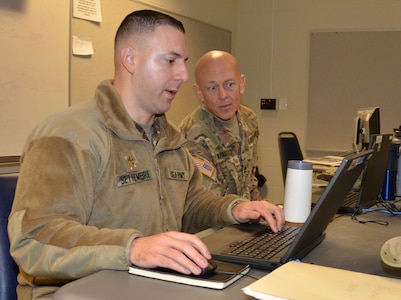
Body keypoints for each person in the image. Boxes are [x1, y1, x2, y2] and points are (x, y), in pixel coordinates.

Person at [8, 10, 284, 299]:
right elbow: (35, 238)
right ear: (130, 59)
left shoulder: (170, 138)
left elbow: (190, 206)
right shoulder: (68, 135)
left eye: (184, 62)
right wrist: (133, 247)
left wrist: (233, 209)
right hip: (76, 292)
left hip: (154, 285)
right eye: (170, 61)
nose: (183, 75)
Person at [179, 50, 262, 200]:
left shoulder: (249, 120)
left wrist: (262, 212)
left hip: (246, 217)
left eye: (229, 84)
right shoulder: (193, 134)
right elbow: (207, 201)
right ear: (199, 93)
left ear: (241, 84)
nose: (223, 95)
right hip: (215, 221)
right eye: (212, 88)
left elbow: (250, 181)